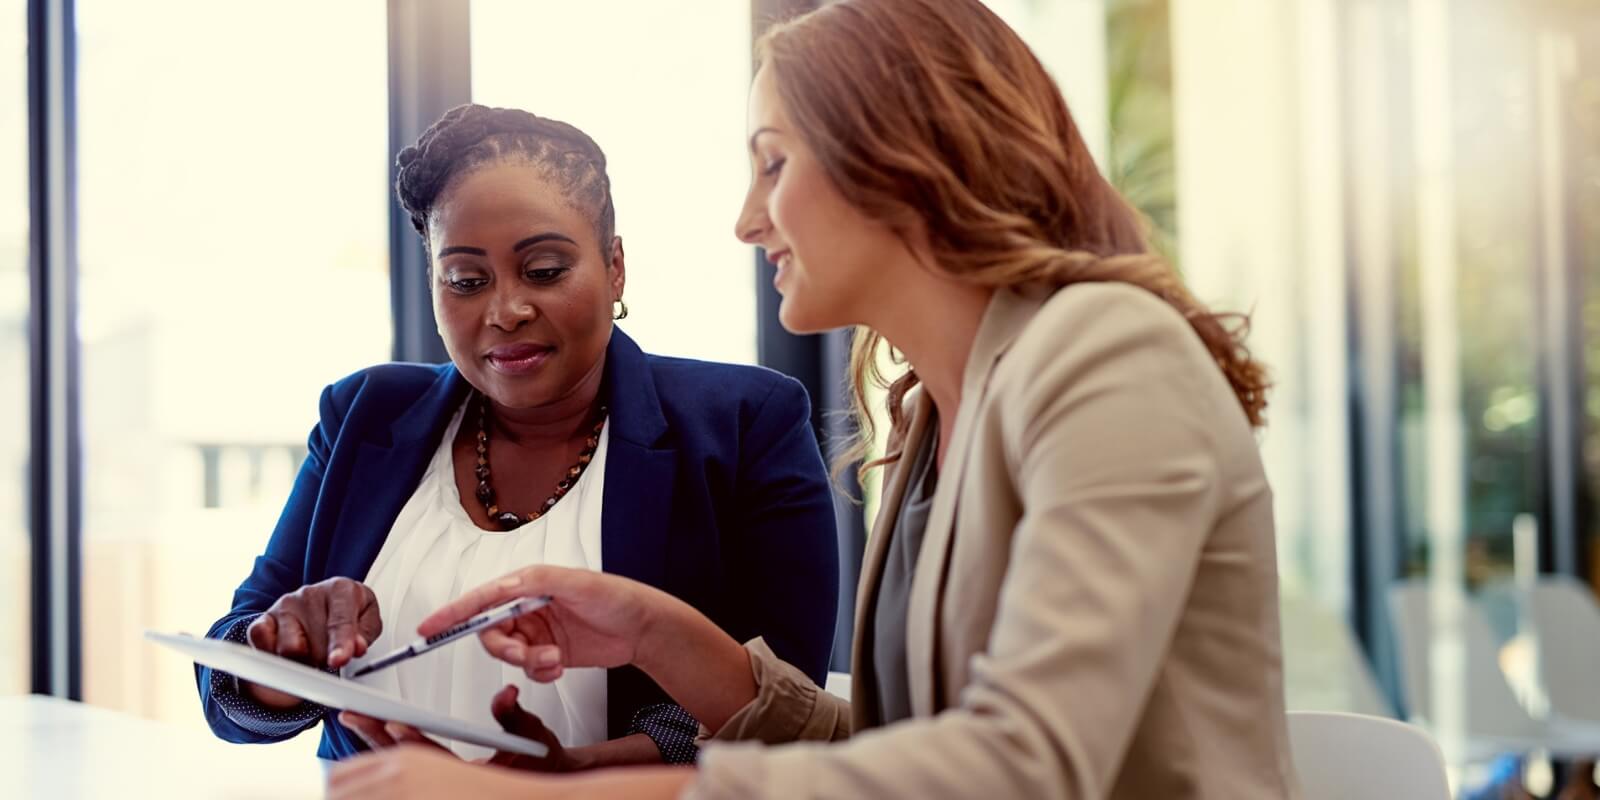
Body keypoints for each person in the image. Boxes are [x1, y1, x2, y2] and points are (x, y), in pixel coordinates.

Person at [327, 0, 1302, 796]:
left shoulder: (1105, 355)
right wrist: (654, 631)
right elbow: (897, 747)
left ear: (898, 156)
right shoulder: (935, 414)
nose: (749, 219)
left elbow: (1020, 766)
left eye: (773, 162)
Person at [193, 103, 840, 770]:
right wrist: (282, 656)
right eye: (467, 281)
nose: (505, 311)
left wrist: (572, 781)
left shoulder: (742, 423)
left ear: (614, 267)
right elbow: (225, 694)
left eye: (545, 270)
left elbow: (782, 706)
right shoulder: (364, 415)